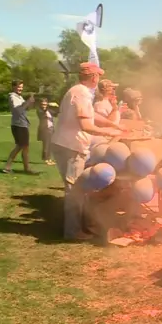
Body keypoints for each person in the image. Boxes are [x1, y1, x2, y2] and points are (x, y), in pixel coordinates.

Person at [51, 62, 124, 240]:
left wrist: (112, 123)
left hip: (65, 144)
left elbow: (91, 116)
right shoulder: (82, 94)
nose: (98, 79)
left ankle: (78, 226)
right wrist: (109, 132)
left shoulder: (78, 91)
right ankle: (73, 232)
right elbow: (86, 125)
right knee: (75, 190)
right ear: (93, 77)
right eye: (97, 75)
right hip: (72, 147)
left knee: (75, 189)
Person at [3, 80, 37, 174]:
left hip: (23, 124)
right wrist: (27, 102)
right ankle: (7, 167)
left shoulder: (19, 97)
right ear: (13, 87)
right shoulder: (12, 96)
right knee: (20, 146)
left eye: (21, 87)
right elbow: (18, 110)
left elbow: (27, 108)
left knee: (25, 147)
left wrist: (31, 102)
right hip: (18, 125)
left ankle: (26, 168)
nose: (20, 89)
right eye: (18, 87)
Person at [36, 98, 57, 165]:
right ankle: (46, 159)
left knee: (50, 145)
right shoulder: (39, 110)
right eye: (42, 104)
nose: (44, 105)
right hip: (45, 129)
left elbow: (56, 113)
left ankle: (49, 158)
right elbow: (43, 113)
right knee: (46, 145)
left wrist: (56, 106)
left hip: (50, 129)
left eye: (45, 104)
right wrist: (48, 105)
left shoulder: (49, 110)